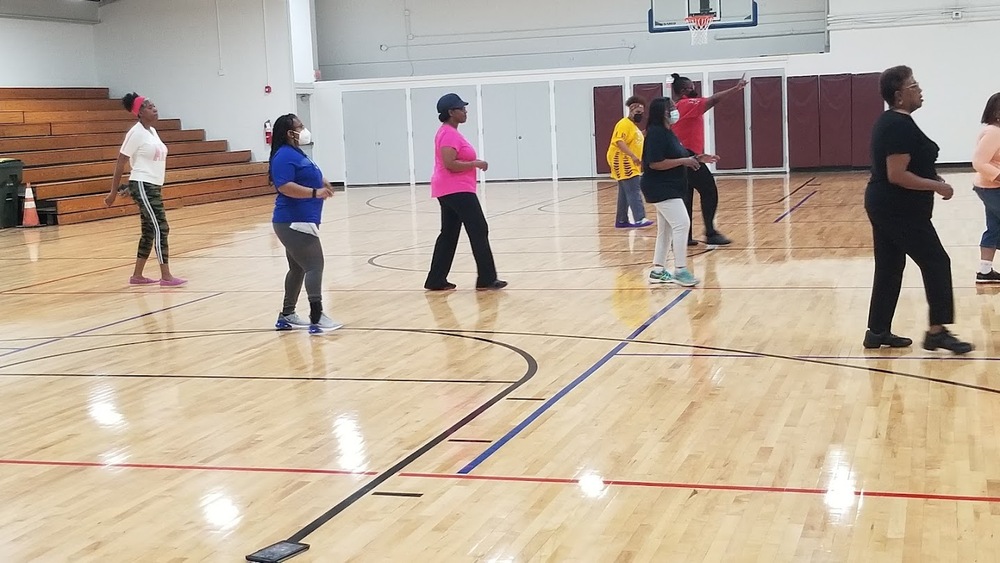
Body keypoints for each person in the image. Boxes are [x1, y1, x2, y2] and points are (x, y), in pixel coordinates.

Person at [863, 65, 972, 354]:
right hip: (897, 208)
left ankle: (877, 331)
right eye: (913, 86)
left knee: (889, 267)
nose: (919, 89)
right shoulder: (897, 125)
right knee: (936, 261)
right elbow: (897, 174)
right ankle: (937, 331)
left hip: (886, 205)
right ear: (899, 96)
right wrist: (936, 186)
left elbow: (908, 165)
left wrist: (932, 177)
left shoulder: (893, 122)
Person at [269, 113, 342, 335]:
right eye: (299, 127)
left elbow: (305, 174)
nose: (303, 130)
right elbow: (284, 186)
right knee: (314, 265)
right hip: (293, 220)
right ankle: (317, 315)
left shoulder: (297, 153)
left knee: (298, 267)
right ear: (288, 132)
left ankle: (287, 315)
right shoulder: (282, 155)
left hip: (301, 219)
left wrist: (322, 181)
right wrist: (314, 192)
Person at [424, 93, 506, 291]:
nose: (465, 111)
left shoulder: (449, 132)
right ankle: (486, 278)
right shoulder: (449, 134)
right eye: (461, 108)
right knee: (479, 229)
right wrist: (475, 164)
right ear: (451, 112)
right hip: (456, 189)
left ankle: (436, 279)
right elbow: (449, 163)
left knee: (449, 234)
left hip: (450, 189)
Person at [104, 92, 185, 286]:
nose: (154, 108)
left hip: (151, 185)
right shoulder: (136, 132)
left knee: (149, 231)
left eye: (154, 105)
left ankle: (137, 276)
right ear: (139, 112)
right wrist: (113, 192)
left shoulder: (152, 132)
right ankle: (166, 276)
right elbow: (121, 161)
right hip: (143, 184)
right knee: (161, 228)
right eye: (149, 107)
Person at [641, 97, 718, 287]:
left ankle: (658, 270)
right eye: (673, 108)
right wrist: (684, 162)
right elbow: (655, 163)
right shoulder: (656, 133)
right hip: (660, 187)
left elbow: (679, 155)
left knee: (666, 230)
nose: (676, 110)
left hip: (671, 186)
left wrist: (698, 158)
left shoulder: (669, 133)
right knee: (682, 224)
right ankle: (681, 270)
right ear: (664, 112)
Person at [670, 73, 747, 247]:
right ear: (684, 90)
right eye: (691, 87)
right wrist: (735, 89)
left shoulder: (676, 107)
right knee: (709, 190)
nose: (694, 90)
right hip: (688, 156)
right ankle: (710, 233)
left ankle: (685, 237)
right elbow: (711, 101)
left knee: (687, 197)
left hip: (685, 156)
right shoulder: (686, 103)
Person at [607, 96, 653, 229]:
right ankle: (639, 218)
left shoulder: (633, 127)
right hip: (622, 160)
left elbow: (638, 138)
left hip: (628, 160)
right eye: (638, 112)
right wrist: (632, 156)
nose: (640, 115)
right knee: (634, 189)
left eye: (642, 113)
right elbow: (619, 141)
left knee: (625, 191)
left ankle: (621, 220)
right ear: (631, 110)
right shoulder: (624, 124)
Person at [971, 92, 1000, 283]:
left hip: (989, 187)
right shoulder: (994, 132)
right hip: (992, 187)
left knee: (994, 227)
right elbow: (978, 162)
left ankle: (985, 271)